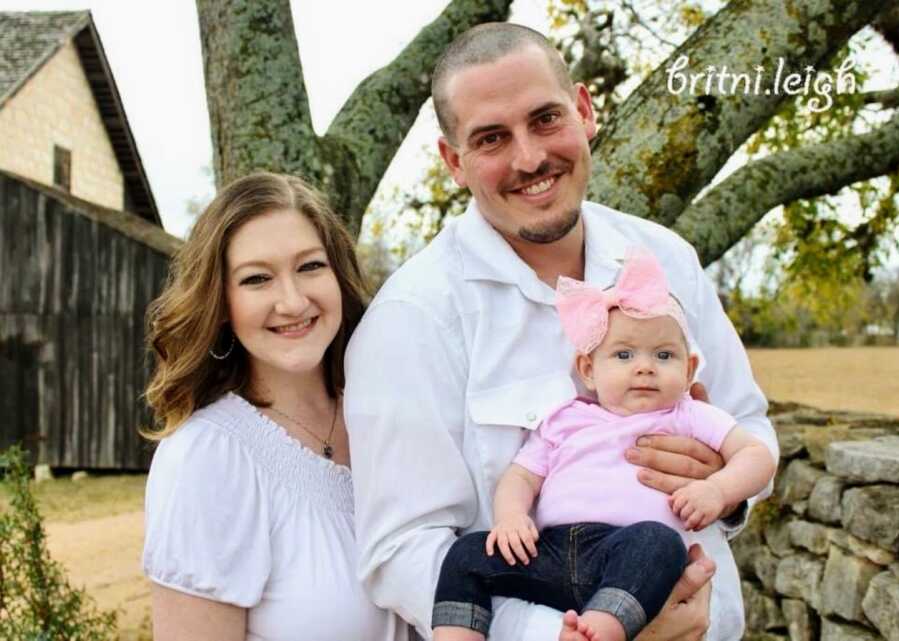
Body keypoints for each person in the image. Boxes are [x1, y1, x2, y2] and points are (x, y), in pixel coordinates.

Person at [344, 22, 778, 641]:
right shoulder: (411, 320)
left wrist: (723, 490)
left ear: (584, 110)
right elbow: (401, 550)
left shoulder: (666, 258)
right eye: (492, 138)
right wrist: (570, 634)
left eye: (545, 119)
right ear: (454, 163)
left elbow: (751, 424)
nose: (529, 158)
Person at [430, 249, 776, 641]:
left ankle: (601, 630)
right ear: (589, 370)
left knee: (659, 542)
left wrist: (718, 489)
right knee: (467, 554)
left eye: (663, 355)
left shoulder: (687, 414)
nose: (644, 366)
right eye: (623, 354)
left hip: (629, 555)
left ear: (689, 369)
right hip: (551, 553)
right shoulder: (565, 419)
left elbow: (755, 455)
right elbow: (521, 477)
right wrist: (511, 517)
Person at [141, 172, 408, 641]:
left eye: (309, 267)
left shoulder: (392, 416)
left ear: (338, 276)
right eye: (257, 279)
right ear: (221, 303)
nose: (292, 300)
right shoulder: (208, 457)